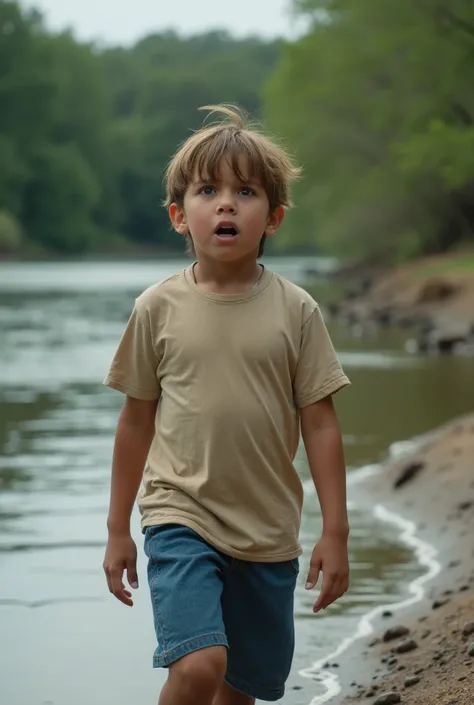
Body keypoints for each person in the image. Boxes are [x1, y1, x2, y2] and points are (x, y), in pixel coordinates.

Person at [102, 105, 351, 705]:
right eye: (207, 190)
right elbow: (136, 422)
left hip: (267, 531)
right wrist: (118, 530)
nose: (226, 204)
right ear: (178, 216)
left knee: (241, 688)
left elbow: (320, 425)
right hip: (179, 513)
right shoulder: (156, 308)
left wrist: (336, 532)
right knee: (197, 667)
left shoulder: (297, 311)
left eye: (246, 191)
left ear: (275, 217)